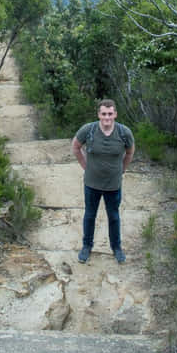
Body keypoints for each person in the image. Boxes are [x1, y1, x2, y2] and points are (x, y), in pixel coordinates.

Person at [72, 99, 135, 264]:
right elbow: (76, 147)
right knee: (90, 215)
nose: (107, 117)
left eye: (110, 114)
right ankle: (86, 246)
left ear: (115, 114)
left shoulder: (124, 132)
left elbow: (129, 153)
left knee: (113, 216)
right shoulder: (89, 130)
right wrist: (85, 166)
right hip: (91, 184)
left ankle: (117, 248)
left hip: (113, 185)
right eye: (104, 114)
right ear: (98, 114)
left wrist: (122, 170)